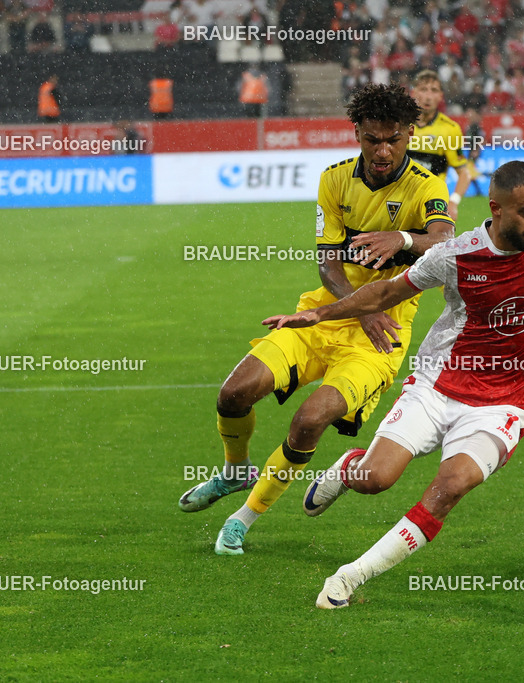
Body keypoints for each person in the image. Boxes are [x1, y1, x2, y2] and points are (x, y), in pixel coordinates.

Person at [264, 83, 524, 609]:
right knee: (376, 480)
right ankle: (348, 469)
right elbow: (385, 292)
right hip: (437, 386)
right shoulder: (455, 256)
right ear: (496, 208)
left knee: (451, 484)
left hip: (503, 403)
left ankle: (349, 577)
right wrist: (317, 314)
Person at [178, 83, 457, 557]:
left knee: (310, 419)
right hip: (321, 314)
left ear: (410, 134)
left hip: (380, 338)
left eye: (393, 138)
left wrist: (403, 240)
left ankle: (245, 517)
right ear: (357, 135)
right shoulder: (334, 180)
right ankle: (235, 470)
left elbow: (446, 243)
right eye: (372, 139)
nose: (383, 150)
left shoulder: (426, 186)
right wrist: (357, 305)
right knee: (233, 394)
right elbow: (327, 263)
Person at [407, 70, 472, 221]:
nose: (428, 96)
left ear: (441, 96)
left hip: (431, 201)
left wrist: (453, 202)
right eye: (423, 89)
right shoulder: (400, 123)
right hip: (399, 197)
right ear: (413, 92)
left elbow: (464, 173)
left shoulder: (450, 129)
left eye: (434, 90)